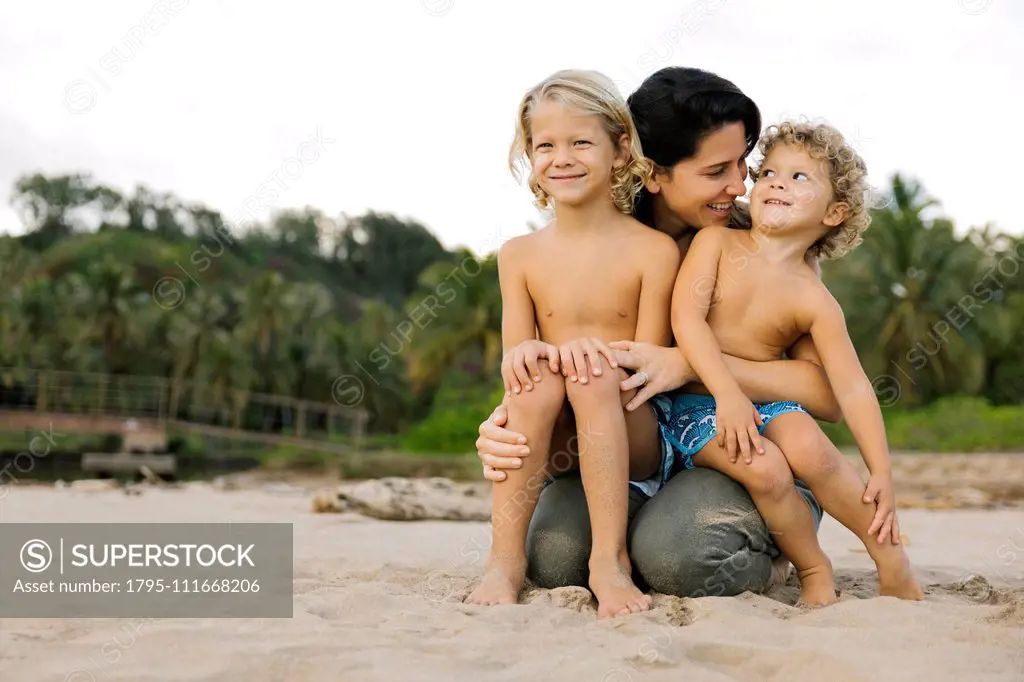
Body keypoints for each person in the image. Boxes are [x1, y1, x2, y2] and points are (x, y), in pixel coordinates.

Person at [476, 67, 848, 599]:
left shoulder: (761, 243)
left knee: (683, 558)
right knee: (555, 562)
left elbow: (829, 395)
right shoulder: (590, 233)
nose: (742, 186)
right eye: (718, 169)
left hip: (736, 454)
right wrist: (501, 424)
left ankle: (775, 560)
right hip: (618, 445)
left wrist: (687, 364)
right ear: (651, 172)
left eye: (745, 163)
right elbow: (539, 354)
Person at [667, 120, 923, 603]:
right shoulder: (717, 244)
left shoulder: (815, 299)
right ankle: (812, 567)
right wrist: (726, 393)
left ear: (834, 213)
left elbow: (850, 388)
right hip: (697, 407)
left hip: (764, 403)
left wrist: (881, 470)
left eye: (799, 177)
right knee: (765, 470)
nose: (776, 182)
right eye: (768, 173)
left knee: (810, 445)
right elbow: (687, 320)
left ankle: (890, 558)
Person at [465, 69, 681, 618]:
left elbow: (646, 368)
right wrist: (535, 355)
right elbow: (517, 360)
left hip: (632, 429)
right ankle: (503, 561)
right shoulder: (518, 254)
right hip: (559, 435)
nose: (562, 158)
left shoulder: (653, 251)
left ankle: (608, 562)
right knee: (535, 380)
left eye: (581, 142)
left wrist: (586, 357)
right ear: (530, 158)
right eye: (545, 145)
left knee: (593, 374)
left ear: (620, 148)